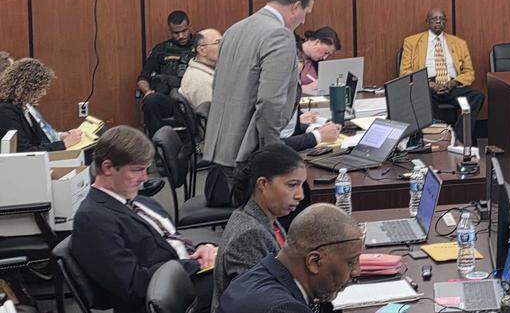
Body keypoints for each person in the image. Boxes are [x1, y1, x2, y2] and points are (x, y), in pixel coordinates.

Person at [72, 126, 218, 313]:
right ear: (108, 168)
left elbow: (171, 239)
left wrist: (200, 250)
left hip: (184, 272)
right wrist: (195, 265)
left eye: (146, 169)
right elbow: (134, 285)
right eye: (137, 170)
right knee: (244, 279)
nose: (144, 178)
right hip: (166, 297)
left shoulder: (138, 200)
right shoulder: (93, 219)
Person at [204, 0, 316, 204]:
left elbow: (219, 86)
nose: (304, 20)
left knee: (247, 215)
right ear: (295, 6)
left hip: (224, 146)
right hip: (251, 151)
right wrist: (273, 157)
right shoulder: (279, 35)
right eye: (306, 12)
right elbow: (270, 102)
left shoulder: (234, 29)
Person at [216, 203, 362, 313]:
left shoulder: (258, 274)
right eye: (351, 262)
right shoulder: (283, 308)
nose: (357, 272)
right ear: (314, 262)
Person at [212, 144, 308, 311]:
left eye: (301, 185)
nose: (300, 195)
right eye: (292, 185)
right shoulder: (249, 235)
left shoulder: (266, 217)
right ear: (263, 184)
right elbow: (256, 303)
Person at [399, 8, 485, 142]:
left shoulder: (459, 43)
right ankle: (434, 138)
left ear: (445, 22)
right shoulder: (412, 42)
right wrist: (430, 84)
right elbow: (405, 72)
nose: (438, 21)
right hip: (427, 86)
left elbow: (469, 73)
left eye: (441, 19)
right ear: (427, 22)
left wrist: (453, 83)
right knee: (423, 97)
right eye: (434, 18)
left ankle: (457, 138)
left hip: (451, 87)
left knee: (477, 96)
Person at [0, 58, 83, 151]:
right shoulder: (5, 112)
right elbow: (25, 151)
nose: (44, 93)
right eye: (41, 89)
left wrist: (62, 137)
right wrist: (64, 143)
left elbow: (39, 138)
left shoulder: (22, 106)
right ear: (26, 88)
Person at [138, 10, 196, 134]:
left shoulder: (200, 46)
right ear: (170, 31)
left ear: (190, 27)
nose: (181, 36)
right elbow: (143, 78)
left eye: (184, 31)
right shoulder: (161, 50)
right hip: (169, 101)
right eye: (176, 33)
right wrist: (147, 91)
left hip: (194, 97)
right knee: (151, 101)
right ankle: (158, 141)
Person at [178, 28, 223, 112]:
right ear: (202, 50)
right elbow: (216, 114)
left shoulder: (203, 70)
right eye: (218, 42)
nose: (223, 46)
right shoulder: (200, 80)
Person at [297, 26, 341, 95]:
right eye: (326, 52)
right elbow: (282, 88)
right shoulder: (291, 55)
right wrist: (304, 89)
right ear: (316, 42)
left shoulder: (317, 61)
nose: (325, 58)